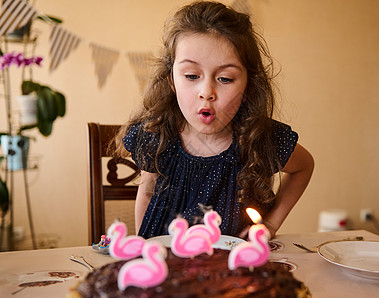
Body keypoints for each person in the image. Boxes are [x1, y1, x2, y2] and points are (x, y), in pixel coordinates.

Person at [114, 1, 314, 239]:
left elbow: (304, 167)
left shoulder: (261, 138)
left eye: (225, 78)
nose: (206, 91)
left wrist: (270, 225)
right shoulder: (156, 134)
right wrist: (144, 248)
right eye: (191, 76)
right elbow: (146, 193)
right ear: (171, 81)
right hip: (165, 264)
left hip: (233, 268)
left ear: (248, 85)